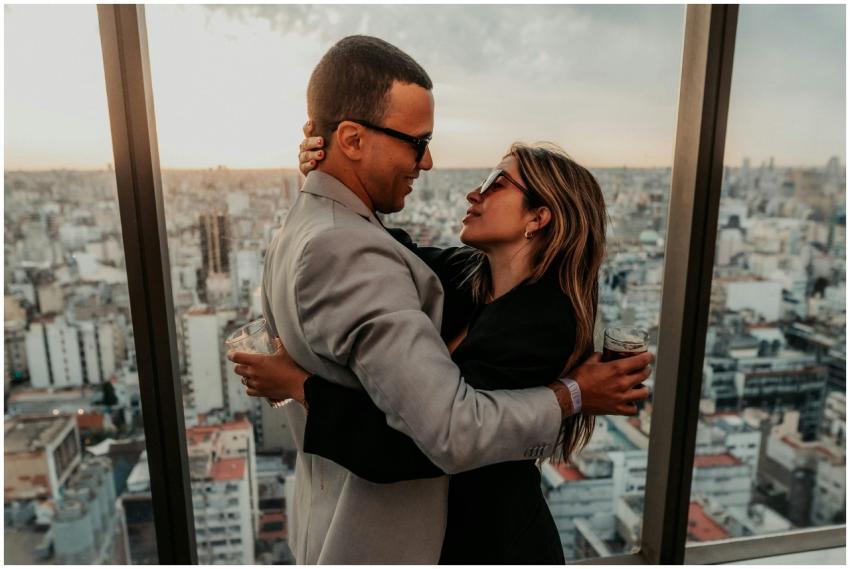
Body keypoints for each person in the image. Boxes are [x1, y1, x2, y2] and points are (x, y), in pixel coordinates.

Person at [228, 35, 652, 564]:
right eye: (417, 141)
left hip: (489, 545)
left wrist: (299, 385)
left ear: (539, 217)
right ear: (354, 137)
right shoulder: (465, 274)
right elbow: (377, 246)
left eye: (496, 183)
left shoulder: (542, 318)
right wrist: (322, 172)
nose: (434, 166)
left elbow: (426, 440)